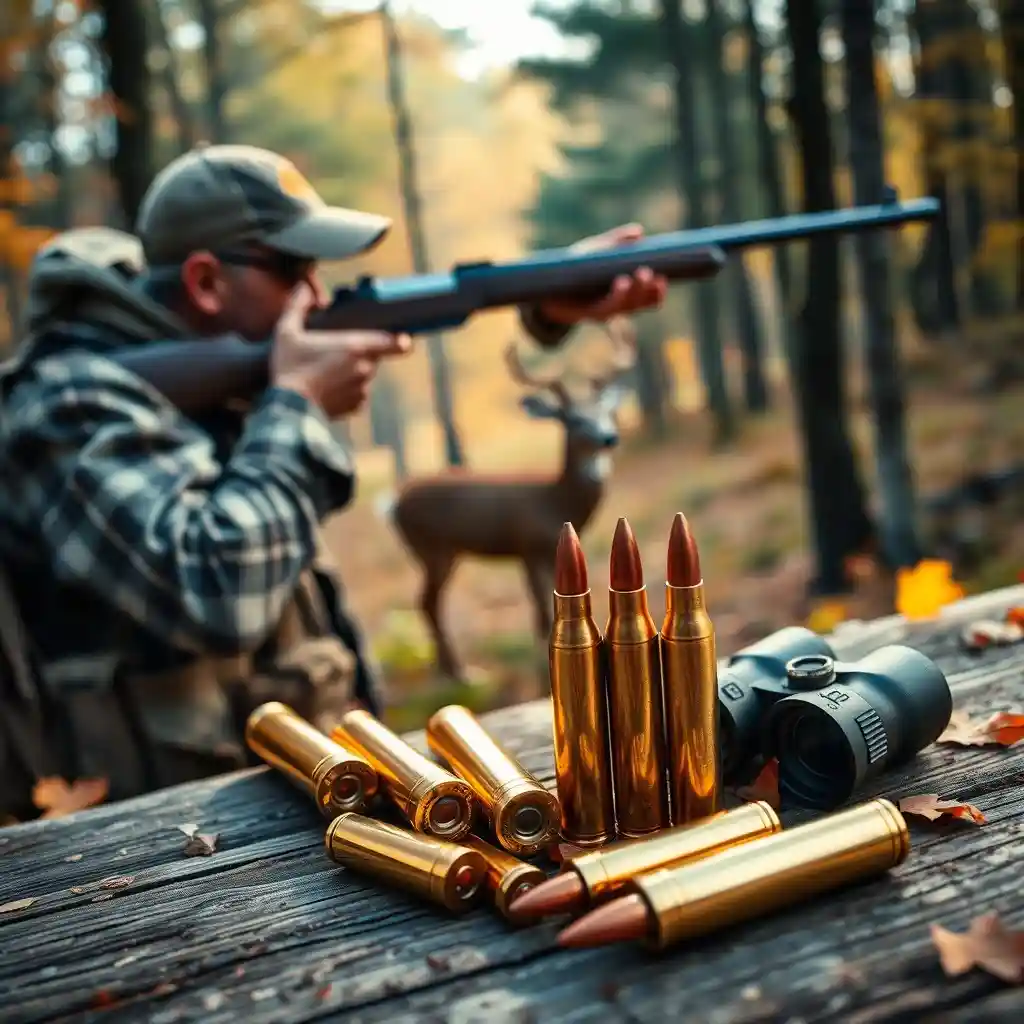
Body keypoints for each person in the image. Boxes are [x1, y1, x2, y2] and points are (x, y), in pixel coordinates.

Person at [0, 144, 666, 808]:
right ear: (205, 283)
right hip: (151, 852)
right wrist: (298, 407)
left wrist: (546, 310)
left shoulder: (210, 370)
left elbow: (447, 314)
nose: (318, 297)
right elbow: (217, 590)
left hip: (284, 793)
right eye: (296, 272)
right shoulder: (65, 406)